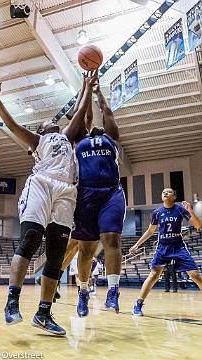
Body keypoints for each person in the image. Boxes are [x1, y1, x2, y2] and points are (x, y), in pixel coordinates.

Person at [0, 74, 97, 335]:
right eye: (47, 122)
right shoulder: (39, 141)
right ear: (41, 129)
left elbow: (80, 111)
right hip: (42, 184)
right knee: (31, 239)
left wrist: (86, 87)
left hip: (67, 191)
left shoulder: (68, 138)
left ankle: (43, 313)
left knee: (57, 254)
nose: (53, 122)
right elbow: (11, 125)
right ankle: (12, 301)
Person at [70, 79, 126, 317]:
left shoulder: (110, 137)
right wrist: (84, 89)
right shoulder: (78, 139)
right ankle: (83, 290)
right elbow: (82, 114)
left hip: (111, 192)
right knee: (86, 250)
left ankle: (113, 290)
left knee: (111, 238)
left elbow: (107, 112)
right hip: (85, 195)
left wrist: (99, 92)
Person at [129, 188, 202, 316]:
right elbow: (150, 231)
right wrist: (136, 244)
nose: (165, 193)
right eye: (163, 192)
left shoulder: (180, 209)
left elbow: (197, 225)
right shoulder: (157, 212)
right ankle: (138, 305)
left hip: (178, 246)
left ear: (174, 196)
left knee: (196, 275)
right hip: (163, 247)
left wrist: (190, 210)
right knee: (153, 275)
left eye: (169, 192)